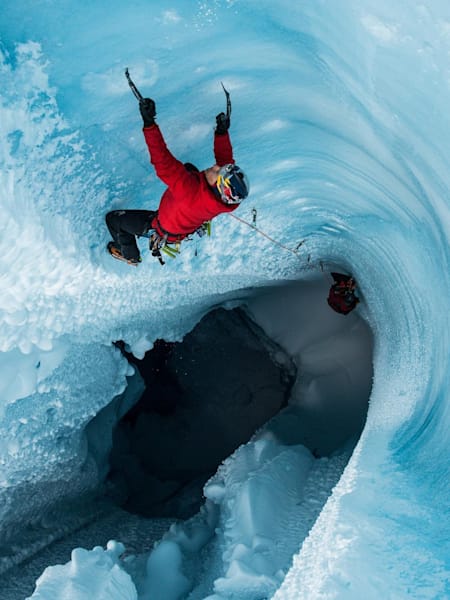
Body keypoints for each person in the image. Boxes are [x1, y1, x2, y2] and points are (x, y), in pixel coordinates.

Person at [106, 97, 249, 265]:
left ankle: (130, 255)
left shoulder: (188, 190)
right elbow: (225, 162)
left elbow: (162, 161)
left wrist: (149, 123)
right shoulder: (220, 198)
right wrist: (222, 133)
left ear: (217, 187)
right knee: (189, 168)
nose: (217, 167)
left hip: (163, 227)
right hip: (181, 223)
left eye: (219, 172)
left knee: (114, 220)